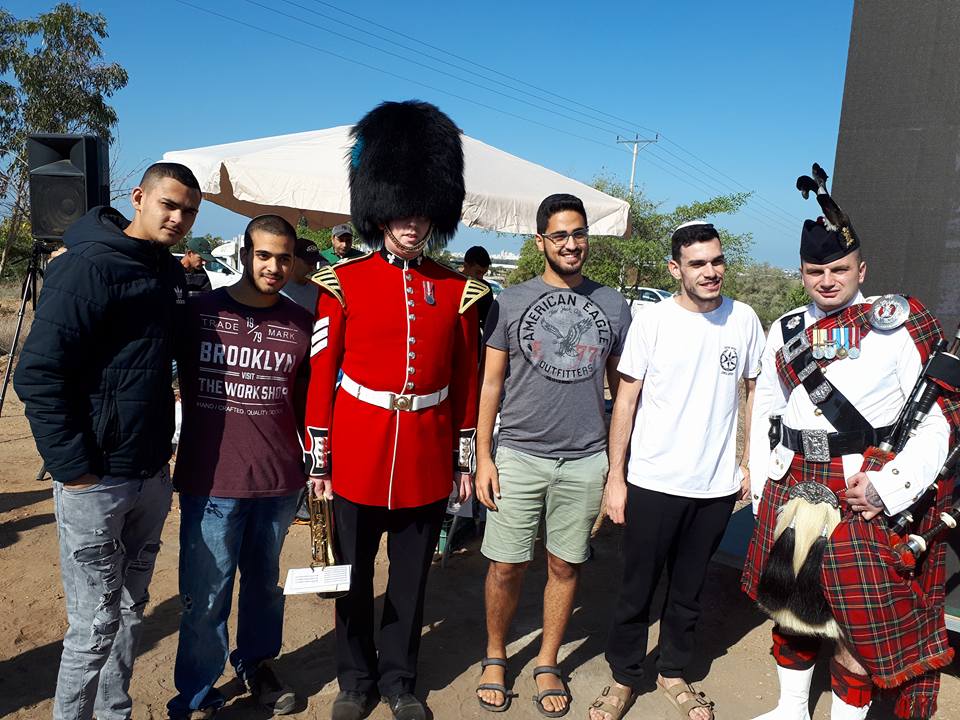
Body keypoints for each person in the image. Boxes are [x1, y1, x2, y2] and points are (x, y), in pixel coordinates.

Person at [741, 165, 957, 720]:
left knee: (854, 624)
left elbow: (939, 420)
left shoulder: (902, 326)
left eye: (839, 268)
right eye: (816, 271)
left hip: (862, 483)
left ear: (862, 268)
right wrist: (765, 474)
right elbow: (766, 404)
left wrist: (890, 487)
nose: (828, 280)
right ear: (802, 272)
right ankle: (790, 710)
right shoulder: (786, 326)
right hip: (793, 481)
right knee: (790, 607)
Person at [304, 100, 487, 720]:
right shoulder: (344, 282)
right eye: (401, 213)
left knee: (410, 582)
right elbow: (322, 376)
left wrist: (463, 458)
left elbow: (465, 380)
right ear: (379, 211)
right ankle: (355, 680)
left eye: (422, 214)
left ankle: (400, 680)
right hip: (356, 455)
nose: (412, 225)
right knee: (349, 580)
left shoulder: (457, 289)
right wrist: (319, 461)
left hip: (427, 459)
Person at [14, 162, 201, 720]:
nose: (178, 218)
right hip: (95, 480)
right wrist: (73, 467)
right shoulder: (87, 267)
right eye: (169, 204)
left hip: (148, 473)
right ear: (139, 197)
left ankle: (113, 713)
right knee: (94, 626)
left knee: (131, 612)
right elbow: (39, 374)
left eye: (189, 211)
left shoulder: (166, 271)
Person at [588, 221, 764, 720]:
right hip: (652, 482)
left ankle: (672, 671)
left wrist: (747, 462)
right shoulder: (653, 320)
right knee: (636, 588)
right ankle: (623, 677)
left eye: (716, 260)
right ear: (675, 269)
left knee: (689, 588)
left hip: (714, 486)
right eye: (697, 264)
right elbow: (625, 400)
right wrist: (615, 478)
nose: (711, 272)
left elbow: (752, 393)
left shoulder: (744, 318)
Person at [474, 193, 632, 717]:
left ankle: (546, 660)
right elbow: (490, 384)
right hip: (518, 454)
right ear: (541, 240)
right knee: (505, 567)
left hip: (586, 459)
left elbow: (622, 389)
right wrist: (483, 456)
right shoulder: (509, 301)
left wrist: (618, 467)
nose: (572, 244)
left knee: (565, 566)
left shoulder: (612, 304)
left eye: (579, 233)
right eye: (560, 235)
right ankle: (495, 654)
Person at [166, 214, 312, 719]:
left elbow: (308, 402)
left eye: (284, 257)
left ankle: (256, 664)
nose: (273, 266)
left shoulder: (301, 322)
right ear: (245, 254)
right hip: (211, 481)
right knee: (205, 596)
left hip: (277, 482)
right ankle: (198, 691)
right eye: (264, 255)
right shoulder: (199, 311)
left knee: (265, 589)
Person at [462, 245, 494, 338]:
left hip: (474, 342)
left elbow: (488, 324)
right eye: (478, 272)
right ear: (466, 266)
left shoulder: (485, 289)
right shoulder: (451, 283)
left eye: (483, 273)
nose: (481, 278)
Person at [283, 236, 322, 311]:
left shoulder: (318, 288)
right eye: (309, 263)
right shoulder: (278, 291)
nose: (313, 267)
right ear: (292, 260)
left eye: (315, 262)